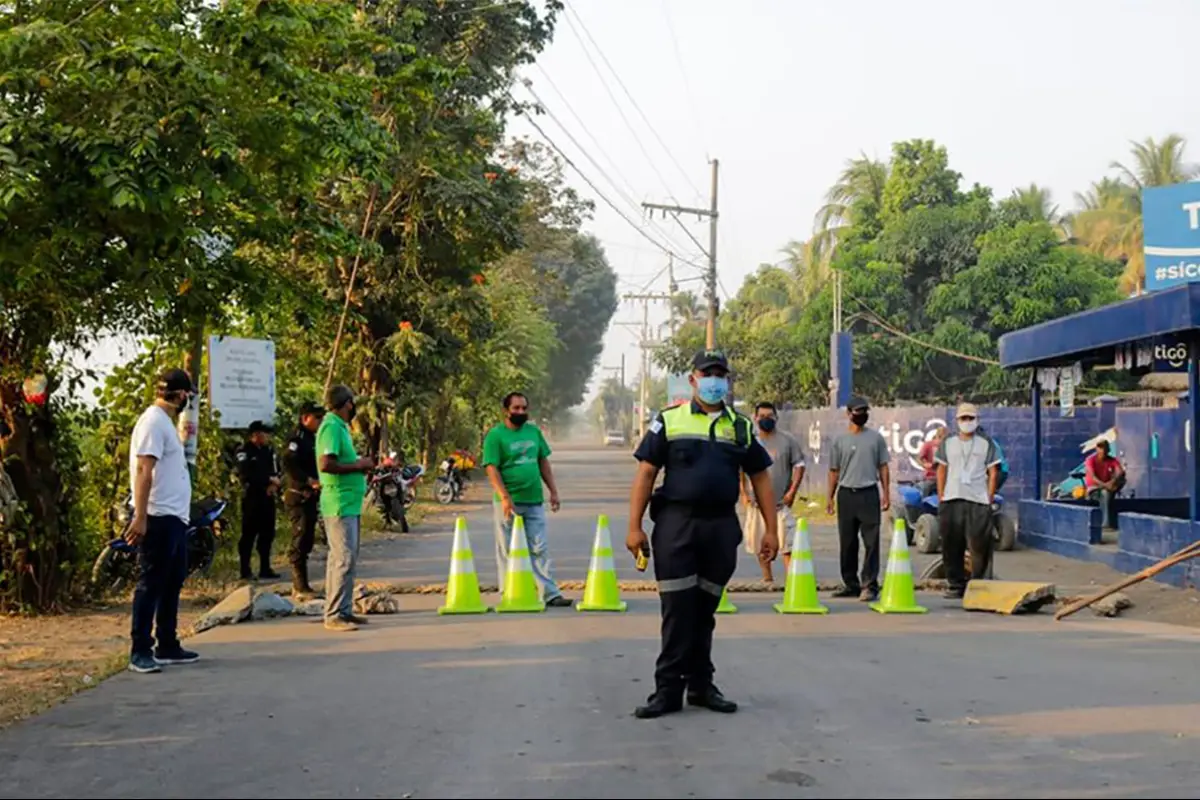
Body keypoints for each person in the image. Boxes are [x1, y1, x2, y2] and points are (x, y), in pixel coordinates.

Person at [627, 349, 778, 719]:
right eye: (707, 374)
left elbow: (760, 477)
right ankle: (667, 690)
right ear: (693, 379)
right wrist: (634, 526)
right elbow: (646, 473)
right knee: (678, 609)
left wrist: (771, 531)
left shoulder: (741, 427)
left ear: (727, 381)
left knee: (705, 608)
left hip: (721, 527)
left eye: (720, 375)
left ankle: (700, 685)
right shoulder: (669, 420)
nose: (714, 381)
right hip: (677, 525)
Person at [126, 368, 199, 674]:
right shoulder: (154, 422)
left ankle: (167, 643)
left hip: (174, 518)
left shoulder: (164, 423)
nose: (187, 400)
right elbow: (145, 470)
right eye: (187, 395)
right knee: (151, 583)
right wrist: (140, 517)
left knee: (172, 580)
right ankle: (140, 649)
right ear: (180, 394)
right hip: (156, 516)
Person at [482, 392, 571, 607]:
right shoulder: (495, 436)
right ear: (506, 411)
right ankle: (508, 592)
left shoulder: (533, 432)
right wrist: (504, 497)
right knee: (507, 548)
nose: (520, 412)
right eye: (516, 408)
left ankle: (549, 594)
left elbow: (543, 461)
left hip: (533, 500)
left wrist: (554, 491)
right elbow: (491, 468)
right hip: (507, 502)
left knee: (539, 547)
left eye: (524, 408)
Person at [317, 385, 374, 632]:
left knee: (345, 558)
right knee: (343, 558)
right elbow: (326, 463)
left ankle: (344, 610)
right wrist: (359, 464)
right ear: (348, 404)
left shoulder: (341, 428)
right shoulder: (331, 427)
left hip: (349, 502)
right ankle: (334, 614)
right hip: (338, 503)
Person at [826, 396, 891, 602]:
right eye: (857, 411)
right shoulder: (839, 441)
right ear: (848, 414)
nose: (861, 415)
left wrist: (886, 493)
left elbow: (883, 466)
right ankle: (850, 583)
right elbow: (833, 471)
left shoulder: (876, 438)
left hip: (868, 493)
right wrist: (829, 497)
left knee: (871, 542)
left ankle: (869, 584)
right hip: (846, 494)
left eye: (864, 411)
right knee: (847, 542)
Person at [935, 403, 1002, 599]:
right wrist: (941, 495)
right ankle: (955, 584)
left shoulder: (986, 443)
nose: (967, 422)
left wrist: (989, 497)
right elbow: (941, 469)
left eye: (971, 418)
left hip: (978, 500)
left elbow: (993, 471)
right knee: (951, 543)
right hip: (952, 498)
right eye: (963, 418)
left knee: (979, 545)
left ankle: (977, 584)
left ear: (977, 420)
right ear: (957, 421)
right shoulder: (947, 442)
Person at [741, 401, 805, 583]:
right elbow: (741, 470)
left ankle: (792, 581)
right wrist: (744, 493)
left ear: (776, 418)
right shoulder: (750, 441)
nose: (766, 420)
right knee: (759, 542)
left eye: (770, 417)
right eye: (762, 417)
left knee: (787, 544)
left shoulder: (788, 440)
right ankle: (767, 579)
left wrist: (792, 492)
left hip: (780, 503)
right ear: (755, 418)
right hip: (756, 504)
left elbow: (799, 466)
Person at [283, 401, 324, 597]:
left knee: (307, 538)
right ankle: (299, 585)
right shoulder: (296, 438)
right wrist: (307, 481)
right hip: (298, 494)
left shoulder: (311, 437)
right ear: (305, 418)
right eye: (316, 417)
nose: (320, 421)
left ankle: (304, 584)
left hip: (310, 495)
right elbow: (288, 461)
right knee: (300, 538)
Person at [235, 420, 281, 580]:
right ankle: (245, 570)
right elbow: (245, 475)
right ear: (255, 435)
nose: (267, 437)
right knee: (248, 534)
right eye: (264, 433)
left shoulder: (269, 451)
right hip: (252, 498)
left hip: (267, 497)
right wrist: (267, 480)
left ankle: (265, 568)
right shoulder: (244, 451)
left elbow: (277, 472)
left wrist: (274, 484)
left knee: (267, 534)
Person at [1085, 438, 1125, 531]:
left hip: (1108, 487)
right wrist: (1106, 485)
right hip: (1094, 489)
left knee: (1109, 491)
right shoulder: (1090, 460)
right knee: (1105, 493)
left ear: (1108, 449)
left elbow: (1120, 472)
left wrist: (1112, 481)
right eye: (1100, 448)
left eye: (1104, 448)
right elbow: (1093, 478)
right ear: (1096, 449)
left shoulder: (1112, 460)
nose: (1102, 450)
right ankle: (1106, 524)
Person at [917, 426, 948, 498]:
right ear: (938, 436)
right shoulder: (928, 445)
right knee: (925, 488)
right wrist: (925, 464)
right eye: (942, 437)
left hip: (947, 479)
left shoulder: (949, 446)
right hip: (931, 478)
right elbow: (920, 459)